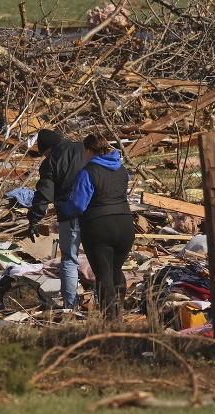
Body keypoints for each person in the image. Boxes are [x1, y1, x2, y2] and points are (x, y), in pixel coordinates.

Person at [59, 133, 133, 320]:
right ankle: (119, 312)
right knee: (116, 269)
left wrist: (62, 210)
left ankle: (110, 319)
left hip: (99, 227)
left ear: (89, 150)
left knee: (104, 273)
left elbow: (78, 204)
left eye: (84, 151)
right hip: (125, 224)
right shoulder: (121, 169)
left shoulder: (88, 172)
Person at [27, 128, 86, 309]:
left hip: (69, 215)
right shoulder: (83, 149)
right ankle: (104, 305)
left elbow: (44, 193)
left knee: (69, 259)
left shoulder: (50, 162)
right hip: (95, 213)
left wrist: (34, 219)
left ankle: (70, 306)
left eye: (43, 153)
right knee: (98, 257)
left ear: (47, 149)